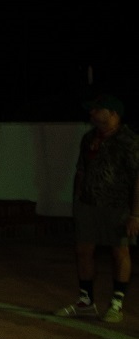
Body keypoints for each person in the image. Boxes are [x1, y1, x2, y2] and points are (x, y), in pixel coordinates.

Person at [62, 96, 138, 323]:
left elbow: (138, 179)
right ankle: (86, 302)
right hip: (87, 205)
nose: (92, 113)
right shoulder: (88, 138)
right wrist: (77, 200)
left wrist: (136, 214)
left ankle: (116, 303)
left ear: (113, 112)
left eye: (97, 109)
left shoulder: (129, 140)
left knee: (120, 252)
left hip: (118, 206)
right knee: (83, 250)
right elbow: (81, 169)